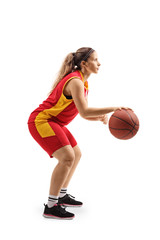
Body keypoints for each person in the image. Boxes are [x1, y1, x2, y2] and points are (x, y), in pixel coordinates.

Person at [28, 47, 128, 220]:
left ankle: (62, 195)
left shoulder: (82, 82)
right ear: (84, 63)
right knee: (67, 157)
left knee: (76, 154)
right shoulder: (75, 81)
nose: (99, 63)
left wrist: (98, 118)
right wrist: (113, 108)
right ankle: (51, 206)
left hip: (54, 122)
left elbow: (81, 112)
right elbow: (84, 111)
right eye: (95, 60)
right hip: (41, 121)